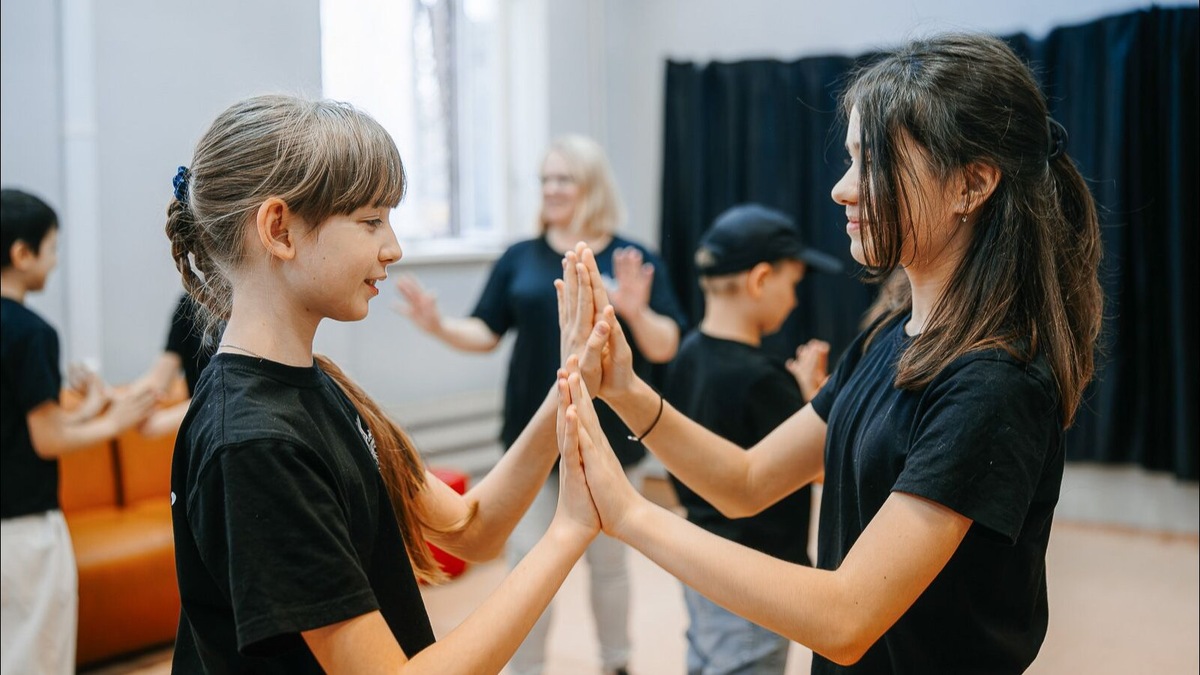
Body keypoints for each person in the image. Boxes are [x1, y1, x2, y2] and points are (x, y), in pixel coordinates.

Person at [557, 32, 1102, 673]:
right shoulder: (885, 336)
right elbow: (747, 483)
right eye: (849, 161)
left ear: (971, 184)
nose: (843, 190)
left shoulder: (993, 383)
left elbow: (844, 619)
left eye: (873, 164)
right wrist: (625, 388)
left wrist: (628, 514)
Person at [165, 94, 611, 673]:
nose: (393, 248)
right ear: (279, 228)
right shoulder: (256, 443)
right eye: (371, 221)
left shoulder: (320, 385)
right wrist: (570, 530)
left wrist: (571, 382)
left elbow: (472, 529)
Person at [395, 134, 687, 675]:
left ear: (591, 185)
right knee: (527, 562)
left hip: (608, 440)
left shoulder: (631, 257)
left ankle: (617, 663)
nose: (551, 189)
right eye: (545, 179)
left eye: (563, 179)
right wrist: (438, 326)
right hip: (532, 439)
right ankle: (523, 668)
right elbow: (485, 331)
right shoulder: (519, 257)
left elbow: (666, 344)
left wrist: (637, 312)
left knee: (607, 561)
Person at [665, 203, 842, 675]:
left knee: (705, 657)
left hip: (699, 559)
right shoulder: (765, 380)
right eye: (792, 284)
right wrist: (816, 405)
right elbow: (823, 468)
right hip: (755, 581)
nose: (796, 300)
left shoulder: (687, 355)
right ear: (761, 280)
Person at [1, 188, 157, 674]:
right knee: (35, 656)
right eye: (51, 249)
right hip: (23, 527)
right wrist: (114, 423)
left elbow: (20, 424)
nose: (54, 262)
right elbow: (45, 441)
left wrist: (88, 408)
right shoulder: (29, 332)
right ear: (22, 253)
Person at [133, 293, 214, 437]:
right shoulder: (190, 303)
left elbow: (234, 390)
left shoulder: (254, 300)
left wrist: (161, 422)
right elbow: (158, 380)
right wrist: (113, 398)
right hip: (201, 435)